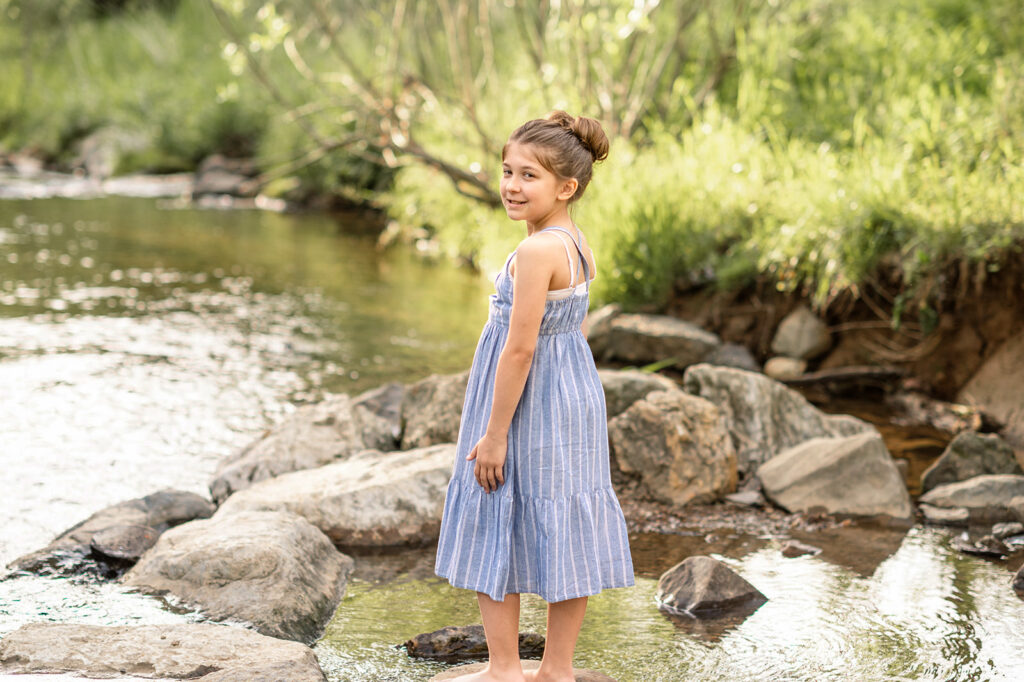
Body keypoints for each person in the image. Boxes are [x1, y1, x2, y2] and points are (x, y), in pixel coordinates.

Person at [433, 111, 635, 682]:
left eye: (529, 176)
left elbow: (519, 351)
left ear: (565, 187)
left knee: (497, 512)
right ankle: (556, 670)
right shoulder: (573, 242)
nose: (511, 186)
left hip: (527, 402)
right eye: (507, 171)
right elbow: (570, 328)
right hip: (571, 395)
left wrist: (494, 434)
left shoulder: (534, 253)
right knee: (565, 524)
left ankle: (502, 670)